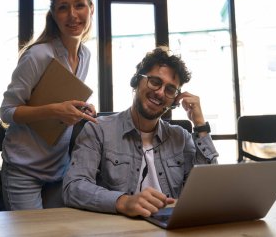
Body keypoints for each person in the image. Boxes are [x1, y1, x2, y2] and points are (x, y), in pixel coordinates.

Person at [63, 46, 219, 217]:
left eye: (170, 89)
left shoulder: (180, 137)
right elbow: (74, 187)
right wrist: (123, 201)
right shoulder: (98, 129)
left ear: (174, 100)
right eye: (155, 82)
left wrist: (200, 125)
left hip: (170, 227)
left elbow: (209, 190)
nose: (160, 93)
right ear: (137, 80)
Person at [0, 0, 96, 211]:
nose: (72, 15)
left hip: (59, 169)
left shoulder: (85, 55)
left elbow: (61, 101)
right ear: (53, 14)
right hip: (23, 170)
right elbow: (6, 112)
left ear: (91, 8)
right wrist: (55, 110)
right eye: (63, 8)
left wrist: (80, 110)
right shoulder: (38, 55)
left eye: (79, 5)